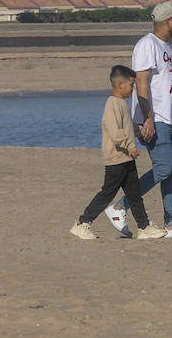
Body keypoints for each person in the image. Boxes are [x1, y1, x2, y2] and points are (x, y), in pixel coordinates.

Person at [106, 2, 172, 237]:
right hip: (154, 119)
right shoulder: (147, 44)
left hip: (169, 119)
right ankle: (120, 206)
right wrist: (147, 118)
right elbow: (141, 82)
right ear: (168, 20)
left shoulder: (168, 48)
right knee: (163, 169)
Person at [70, 66, 166, 240]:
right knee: (107, 193)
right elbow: (116, 133)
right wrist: (130, 146)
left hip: (126, 159)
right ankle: (82, 224)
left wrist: (140, 131)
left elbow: (127, 127)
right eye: (131, 85)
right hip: (116, 160)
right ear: (120, 85)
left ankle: (144, 228)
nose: (133, 88)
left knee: (135, 195)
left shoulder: (122, 103)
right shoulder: (112, 104)